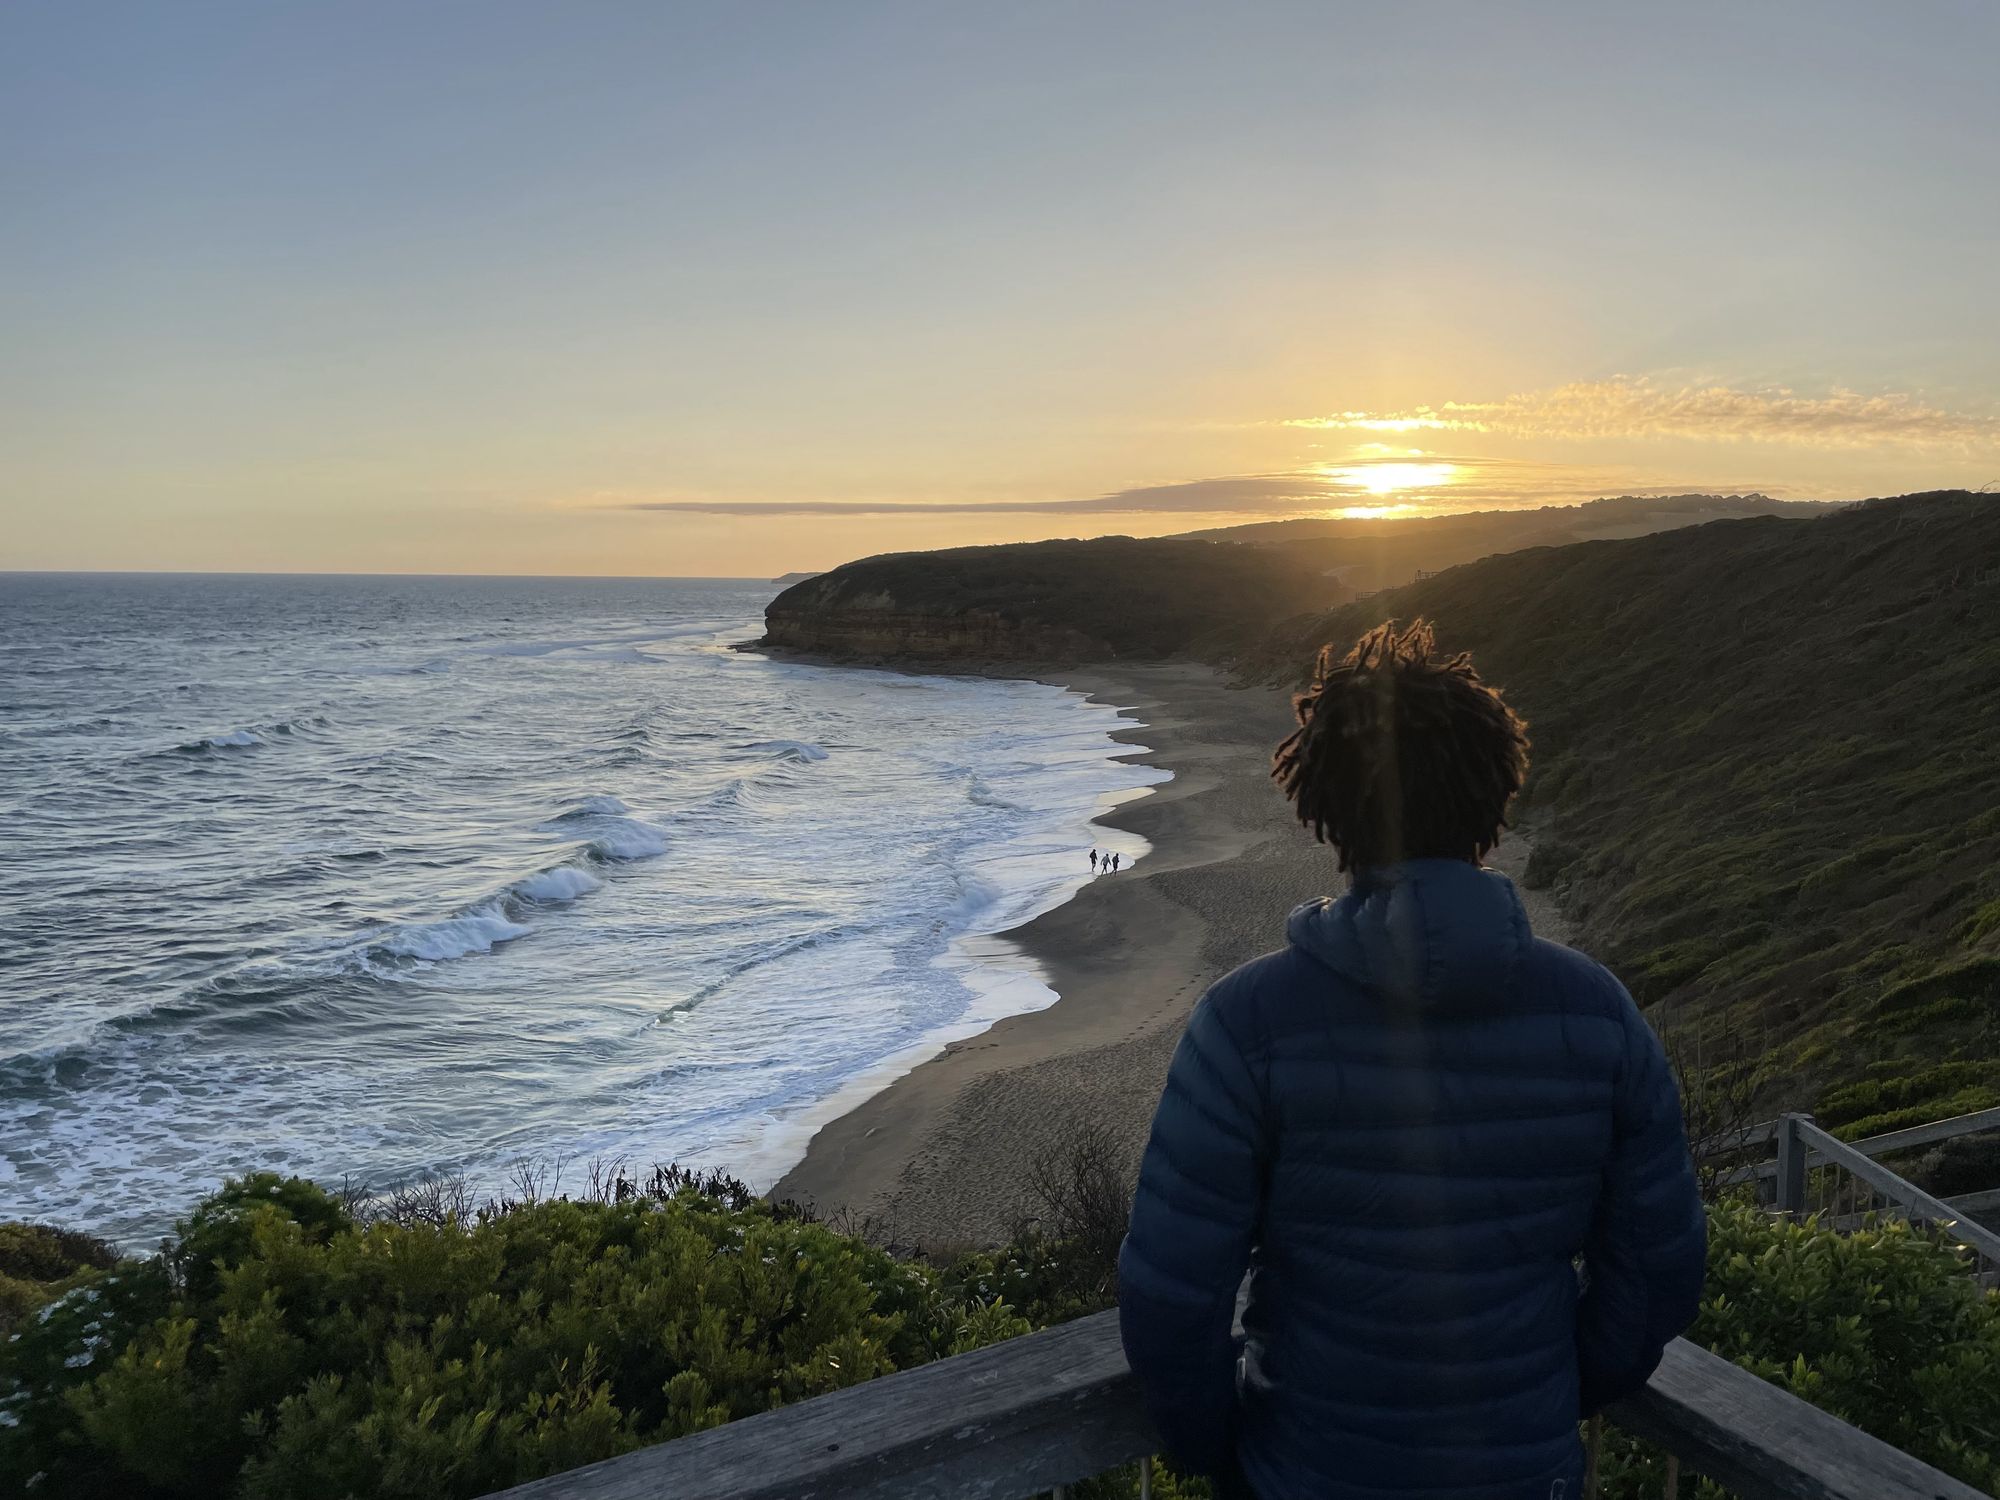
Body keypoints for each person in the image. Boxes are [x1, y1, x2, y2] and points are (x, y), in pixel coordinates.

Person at [1117, 620, 1705, 1500]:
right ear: (1496, 794)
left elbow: (1172, 1295)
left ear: (1326, 807)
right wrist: (1555, 1394)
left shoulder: (1247, 1023)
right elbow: (1659, 1269)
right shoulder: (1597, 1012)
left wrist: (1220, 1453)